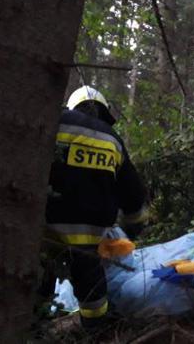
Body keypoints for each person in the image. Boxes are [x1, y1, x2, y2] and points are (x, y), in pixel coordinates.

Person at [46, 86, 146, 327]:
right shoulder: (112, 139)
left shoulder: (55, 122)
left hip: (44, 230)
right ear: (103, 112)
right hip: (89, 238)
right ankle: (96, 329)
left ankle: (35, 325)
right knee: (92, 291)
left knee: (39, 280)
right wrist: (132, 229)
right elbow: (133, 192)